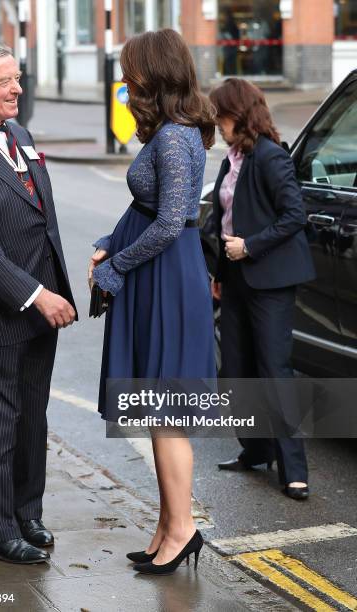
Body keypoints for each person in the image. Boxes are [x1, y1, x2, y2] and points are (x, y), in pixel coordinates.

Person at [89, 29, 216, 574]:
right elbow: (151, 211)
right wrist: (108, 243)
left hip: (166, 277)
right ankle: (167, 526)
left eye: (129, 68)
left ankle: (182, 529)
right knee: (155, 407)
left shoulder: (173, 138)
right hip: (158, 274)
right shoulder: (171, 130)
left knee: (167, 413)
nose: (124, 78)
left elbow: (170, 223)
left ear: (152, 72)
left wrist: (117, 264)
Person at [0, 43, 77, 563]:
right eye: (4, 82)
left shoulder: (18, 136)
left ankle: (28, 513)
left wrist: (57, 286)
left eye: (17, 78)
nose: (16, 89)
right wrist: (36, 294)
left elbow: (40, 219)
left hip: (42, 307)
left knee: (33, 420)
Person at [210, 78, 315, 500]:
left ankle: (295, 469)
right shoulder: (231, 158)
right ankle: (255, 451)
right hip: (235, 279)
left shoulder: (272, 157)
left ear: (239, 113)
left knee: (274, 373)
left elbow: (295, 215)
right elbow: (223, 219)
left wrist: (250, 246)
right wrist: (219, 271)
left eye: (221, 114)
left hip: (270, 280)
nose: (217, 122)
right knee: (235, 372)